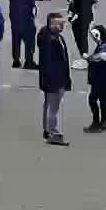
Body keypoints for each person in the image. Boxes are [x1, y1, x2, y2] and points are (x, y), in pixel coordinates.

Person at [37, 12, 72, 145]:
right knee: (53, 107)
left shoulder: (54, 37)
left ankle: (47, 129)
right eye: (60, 24)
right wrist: (59, 81)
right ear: (52, 24)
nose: (63, 26)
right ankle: (52, 132)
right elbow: (51, 63)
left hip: (55, 78)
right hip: (54, 80)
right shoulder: (50, 41)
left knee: (49, 106)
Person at [84, 24, 106, 133]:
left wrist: (89, 58)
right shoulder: (105, 45)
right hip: (101, 78)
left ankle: (96, 122)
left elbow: (100, 58)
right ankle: (103, 122)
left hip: (100, 78)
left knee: (92, 99)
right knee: (102, 99)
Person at [66, 0, 99, 66]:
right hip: (81, 13)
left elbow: (84, 1)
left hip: (81, 13)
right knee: (79, 33)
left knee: (81, 33)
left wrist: (76, 13)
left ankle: (84, 54)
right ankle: (84, 53)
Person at [6, 0, 38, 70]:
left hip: (14, 15)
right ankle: (28, 61)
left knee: (16, 38)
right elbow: (31, 1)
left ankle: (16, 60)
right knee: (29, 39)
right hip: (26, 16)